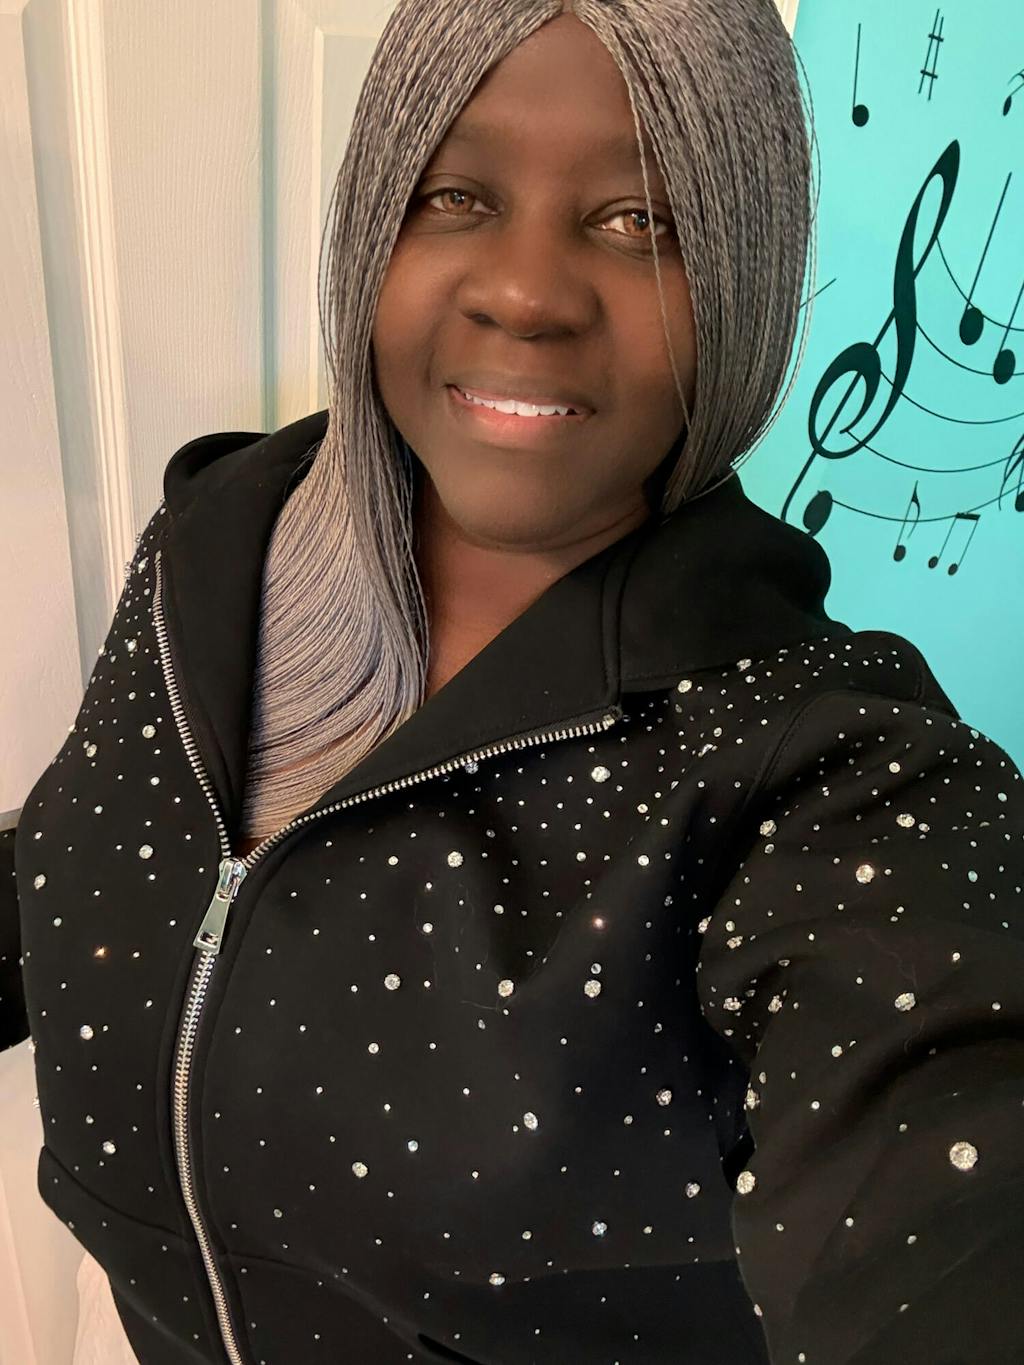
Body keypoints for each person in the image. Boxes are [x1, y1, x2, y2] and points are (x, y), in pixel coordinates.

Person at [2, 1, 1022, 1362]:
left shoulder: (823, 770)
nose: (528, 293)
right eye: (457, 195)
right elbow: (102, 874)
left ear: (746, 272)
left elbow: (948, 1169)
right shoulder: (211, 547)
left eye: (641, 222)